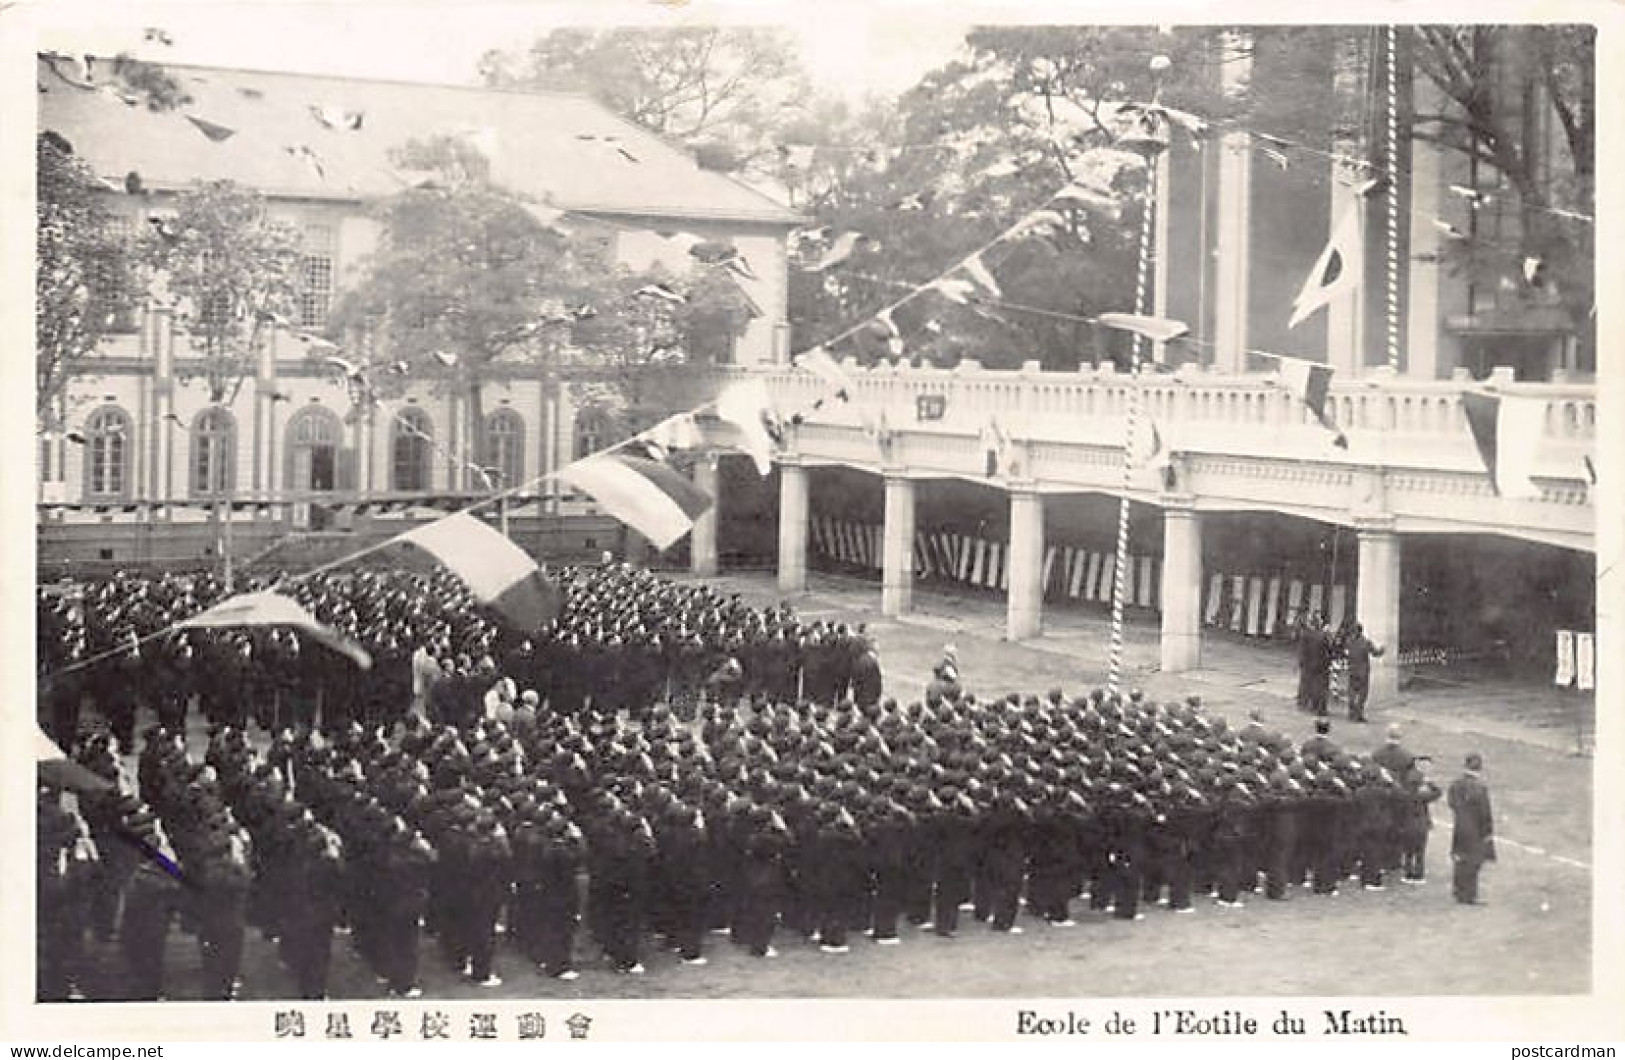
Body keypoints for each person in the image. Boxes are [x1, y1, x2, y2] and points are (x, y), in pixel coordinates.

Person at [1447, 753, 1496, 905]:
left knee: (1460, 858)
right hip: (1475, 830)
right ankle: (1469, 894)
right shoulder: (1480, 788)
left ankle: (1458, 890)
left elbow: (1451, 803)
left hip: (1459, 826)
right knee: (1473, 862)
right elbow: (1485, 812)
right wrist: (1488, 832)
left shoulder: (1455, 784)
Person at [1342, 622, 1386, 722]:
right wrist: (1382, 649)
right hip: (1363, 672)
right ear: (1361, 631)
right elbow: (1376, 653)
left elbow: (1346, 653)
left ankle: (1351, 713)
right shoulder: (1366, 642)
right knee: (1362, 694)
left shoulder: (1349, 641)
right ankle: (1358, 714)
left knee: (1352, 693)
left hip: (1352, 670)